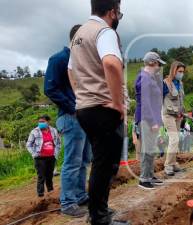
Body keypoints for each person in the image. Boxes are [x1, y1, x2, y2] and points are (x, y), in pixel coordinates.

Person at [67, 0, 130, 224]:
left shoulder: (79, 35)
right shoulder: (104, 32)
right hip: (104, 108)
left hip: (85, 108)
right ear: (113, 11)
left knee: (102, 163)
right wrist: (117, 103)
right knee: (105, 165)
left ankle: (98, 210)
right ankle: (99, 218)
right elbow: (112, 64)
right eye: (119, 14)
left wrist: (81, 96)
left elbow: (70, 70)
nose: (118, 19)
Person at [44, 24, 92, 218]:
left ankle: (80, 196)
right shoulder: (59, 59)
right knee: (72, 161)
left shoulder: (80, 62)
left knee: (84, 160)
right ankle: (68, 202)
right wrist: (72, 106)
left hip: (84, 117)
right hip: (70, 118)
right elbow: (50, 88)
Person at [135, 52, 165, 190]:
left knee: (151, 149)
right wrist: (152, 121)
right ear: (152, 62)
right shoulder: (144, 78)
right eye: (158, 63)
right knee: (147, 149)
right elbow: (145, 102)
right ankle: (144, 178)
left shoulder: (150, 78)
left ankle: (150, 175)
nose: (159, 66)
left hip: (152, 118)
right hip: (146, 118)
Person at [26, 115, 61, 198]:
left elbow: (58, 143)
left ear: (48, 122)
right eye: (39, 122)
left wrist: (56, 153)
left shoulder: (53, 130)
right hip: (40, 157)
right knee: (41, 176)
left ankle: (51, 192)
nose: (40, 123)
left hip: (51, 157)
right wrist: (34, 154)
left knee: (49, 175)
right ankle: (40, 195)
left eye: (43, 121)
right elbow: (28, 145)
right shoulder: (34, 131)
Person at [162, 61, 186, 176]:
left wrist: (182, 112)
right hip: (168, 115)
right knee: (174, 139)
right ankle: (168, 166)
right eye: (179, 71)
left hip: (178, 115)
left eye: (182, 72)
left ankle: (174, 163)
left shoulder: (180, 83)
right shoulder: (165, 83)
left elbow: (181, 99)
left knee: (176, 140)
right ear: (174, 70)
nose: (181, 74)